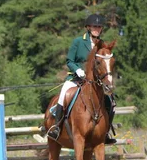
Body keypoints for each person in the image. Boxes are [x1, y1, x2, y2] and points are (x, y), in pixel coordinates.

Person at [47, 14, 117, 144]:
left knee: (111, 102)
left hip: (94, 82)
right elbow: (69, 60)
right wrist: (78, 70)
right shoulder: (78, 42)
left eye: (99, 26)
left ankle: (105, 131)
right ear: (88, 27)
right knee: (63, 94)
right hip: (76, 78)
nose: (97, 28)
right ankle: (56, 127)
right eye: (94, 26)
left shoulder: (102, 45)